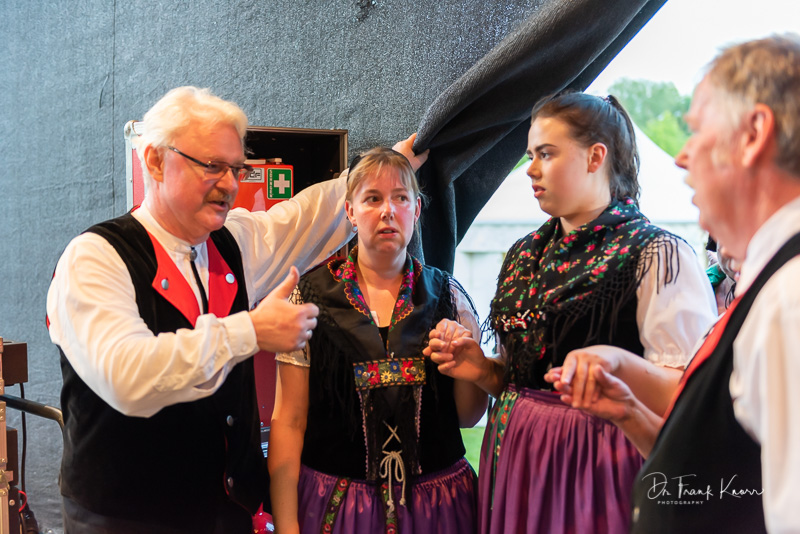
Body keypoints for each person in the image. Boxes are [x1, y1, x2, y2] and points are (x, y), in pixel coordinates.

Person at [46, 86, 428, 534]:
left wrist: (391, 165)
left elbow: (304, 218)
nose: (230, 184)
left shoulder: (232, 243)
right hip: (124, 521)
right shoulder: (94, 258)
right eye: (212, 166)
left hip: (226, 514)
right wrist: (250, 332)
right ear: (155, 161)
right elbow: (126, 377)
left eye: (236, 168)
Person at [424, 92, 717, 534]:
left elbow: (692, 392)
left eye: (546, 154)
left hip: (599, 462)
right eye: (530, 156)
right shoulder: (523, 255)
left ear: (596, 156)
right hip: (517, 453)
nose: (531, 169)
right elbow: (519, 378)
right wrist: (481, 368)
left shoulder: (655, 253)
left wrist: (616, 367)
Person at [546, 35, 800, 533]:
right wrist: (631, 414)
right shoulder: (773, 282)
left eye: (698, 130)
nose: (681, 157)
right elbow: (735, 476)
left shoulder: (789, 298)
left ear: (753, 134)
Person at [268, 147, 487, 534]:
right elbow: (289, 421)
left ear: (416, 211)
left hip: (437, 511)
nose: (388, 210)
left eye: (400, 198)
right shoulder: (307, 300)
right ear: (350, 211)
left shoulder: (450, 298)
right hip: (338, 509)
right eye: (372, 198)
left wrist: (470, 364)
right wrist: (286, 526)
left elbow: (469, 417)